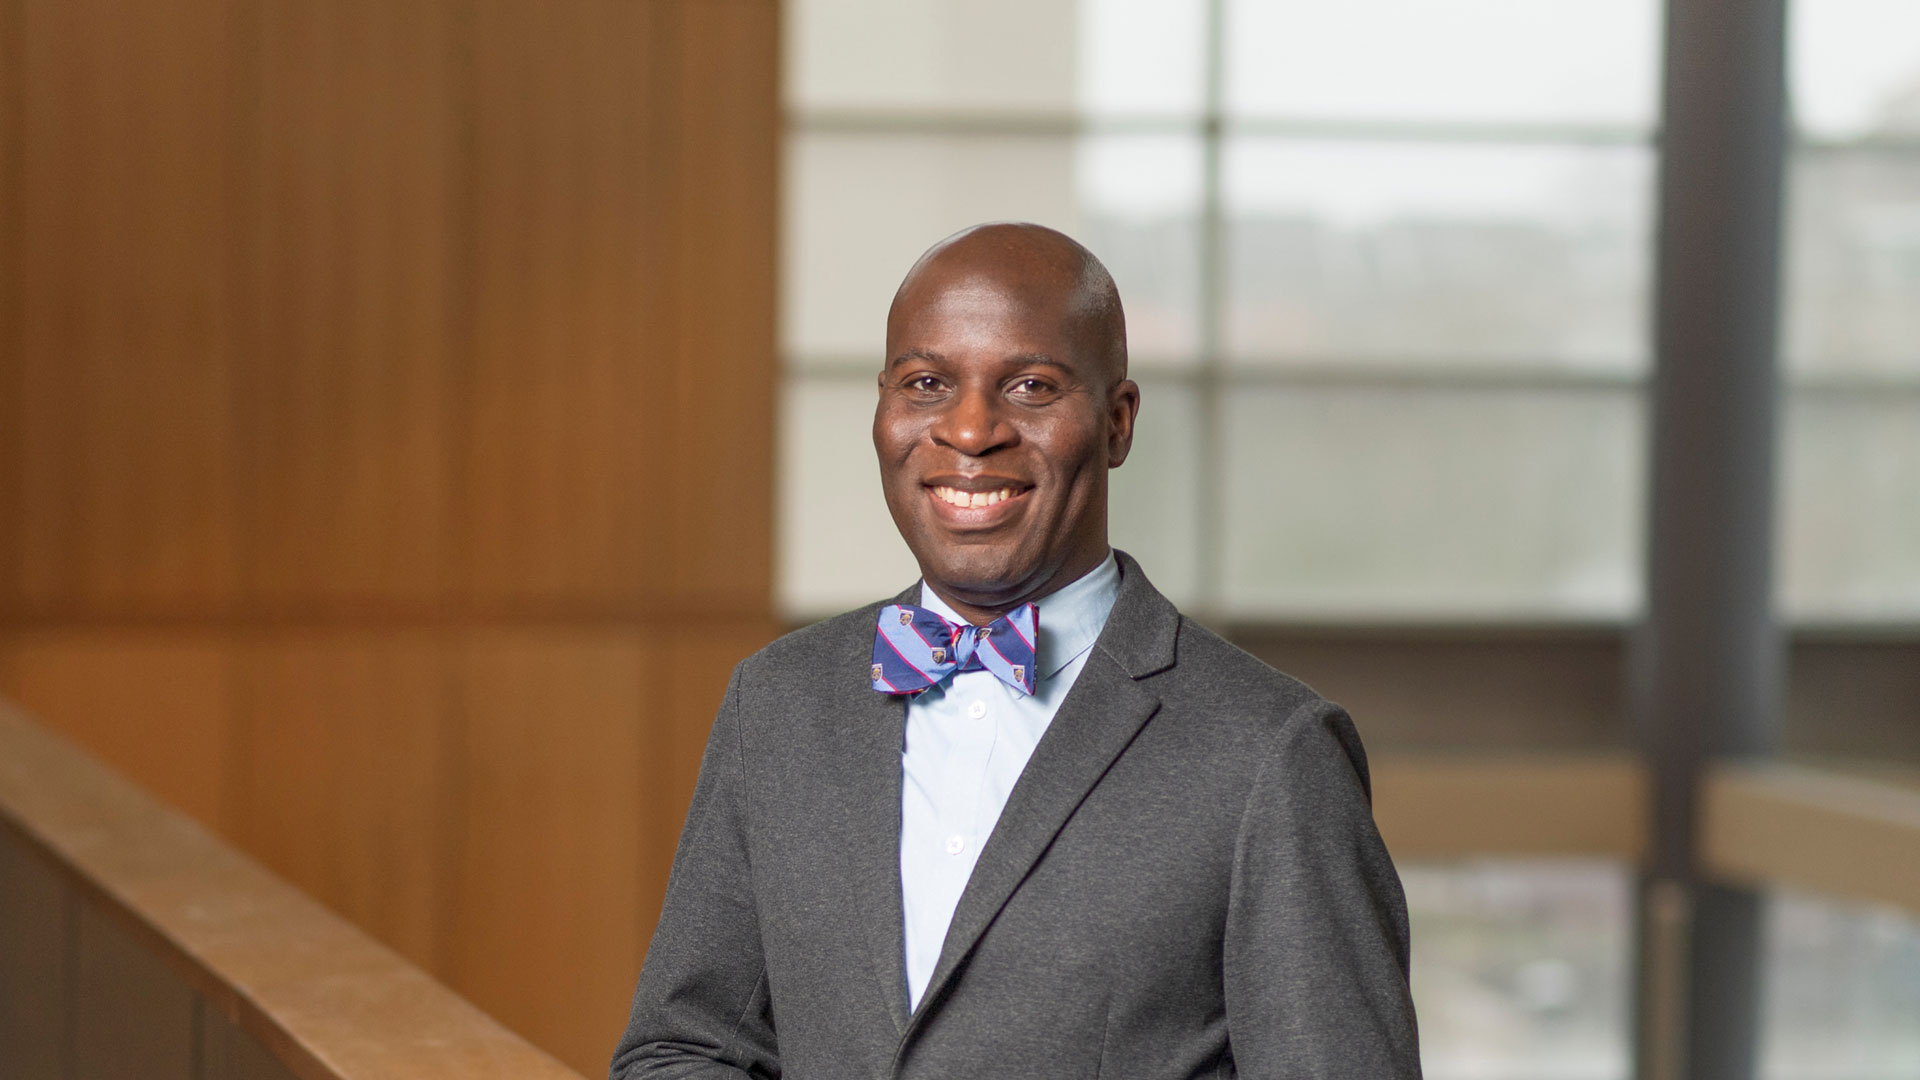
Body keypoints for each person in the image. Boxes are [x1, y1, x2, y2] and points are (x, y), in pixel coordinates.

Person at [610, 223, 1420, 1078]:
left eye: (1030, 386)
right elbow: (685, 1047)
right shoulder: (779, 702)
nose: (969, 430)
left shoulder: (1271, 752)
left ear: (1116, 423)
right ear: (883, 411)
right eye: (927, 383)